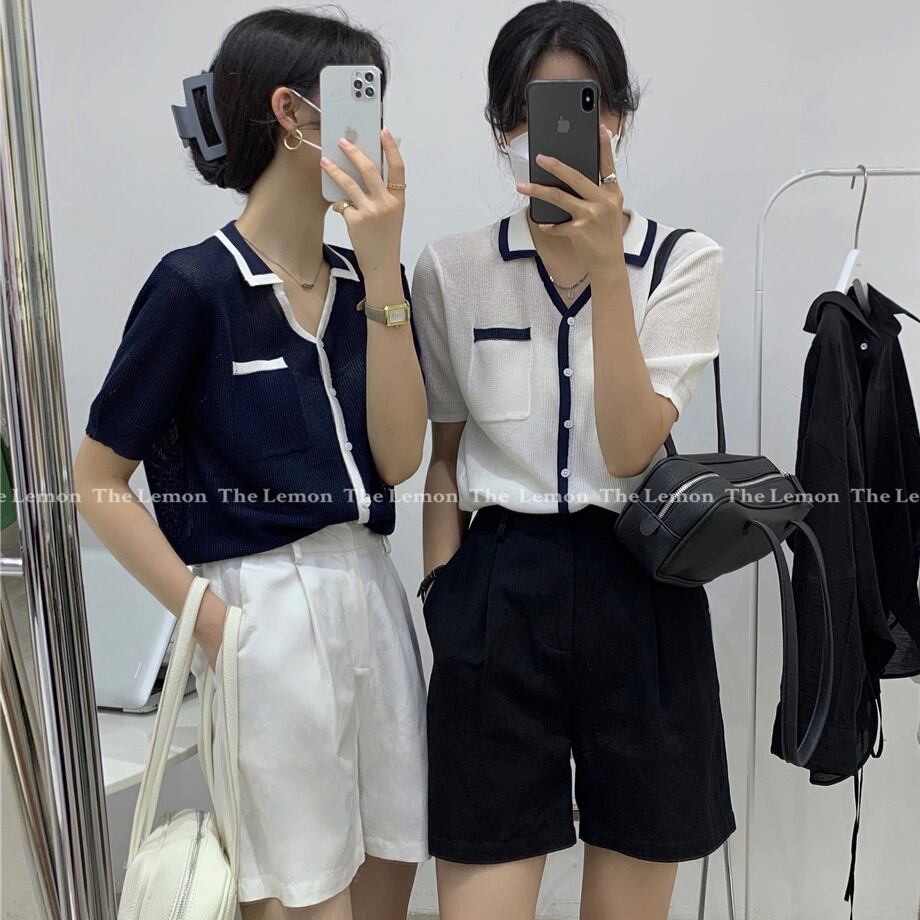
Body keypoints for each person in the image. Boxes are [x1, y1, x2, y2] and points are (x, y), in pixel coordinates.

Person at [73, 9, 428, 919]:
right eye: (356, 101)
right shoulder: (194, 286)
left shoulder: (363, 282)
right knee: (301, 898)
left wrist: (384, 271)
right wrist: (212, 623)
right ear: (291, 114)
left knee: (389, 878)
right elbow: (97, 480)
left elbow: (399, 457)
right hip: (262, 607)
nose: (376, 130)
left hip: (372, 594)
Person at [410, 3, 735, 918]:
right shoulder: (450, 270)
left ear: (618, 116)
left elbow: (630, 447)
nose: (548, 129)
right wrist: (443, 595)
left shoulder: (681, 262)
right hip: (497, 589)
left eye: (582, 103)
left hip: (641, 586)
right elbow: (443, 458)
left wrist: (607, 269)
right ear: (500, 126)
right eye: (526, 108)